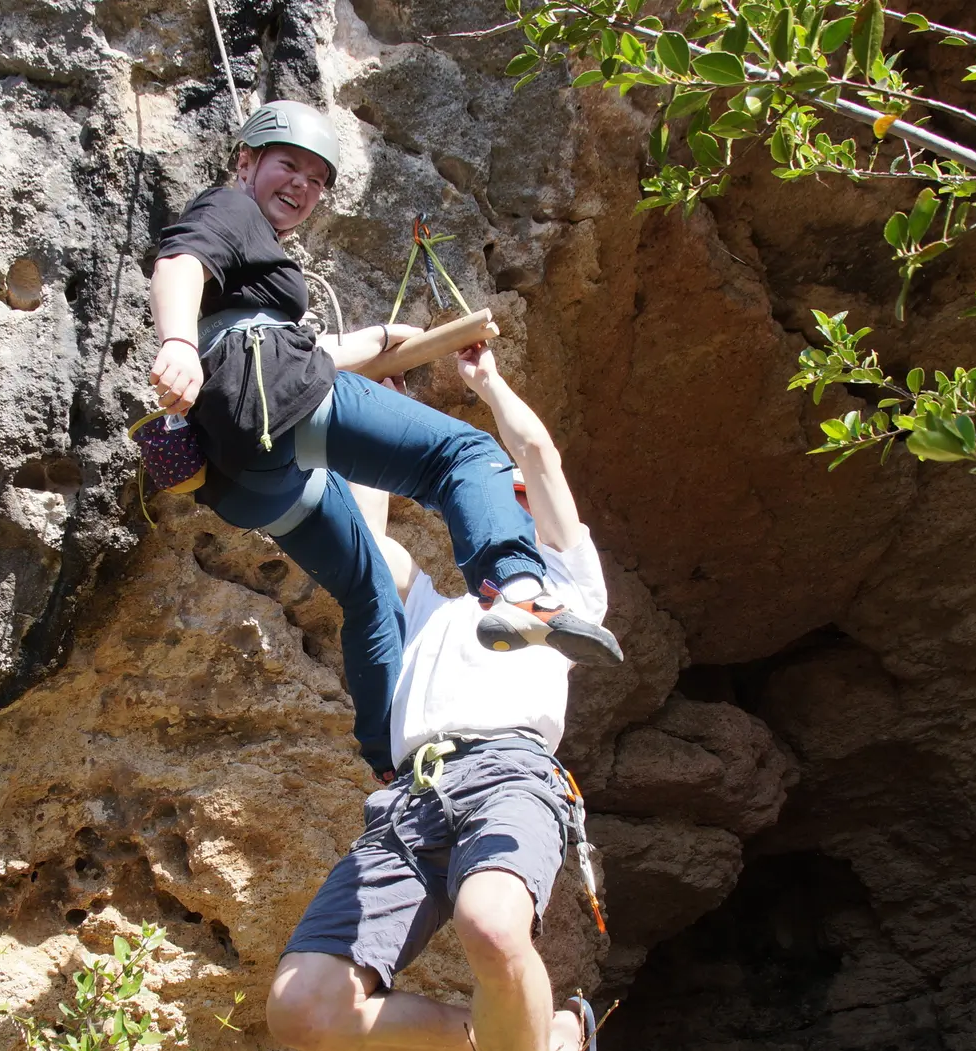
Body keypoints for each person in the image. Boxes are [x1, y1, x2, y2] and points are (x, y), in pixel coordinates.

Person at [147, 99, 622, 779]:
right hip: (268, 393)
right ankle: (516, 588)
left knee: (370, 588)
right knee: (463, 456)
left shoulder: (256, 261)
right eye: (288, 165)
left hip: (243, 473)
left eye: (317, 180)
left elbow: (284, 349)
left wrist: (371, 345)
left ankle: (388, 762)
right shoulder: (230, 207)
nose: (302, 187)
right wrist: (175, 342)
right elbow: (179, 263)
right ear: (246, 161)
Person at [265, 344, 610, 1051]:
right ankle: (536, 1044)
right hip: (409, 802)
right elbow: (370, 533)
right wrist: (361, 405)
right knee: (304, 1010)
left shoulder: (562, 592)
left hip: (510, 772)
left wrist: (488, 384)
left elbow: (540, 464)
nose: (519, 506)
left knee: (493, 923)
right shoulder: (432, 614)